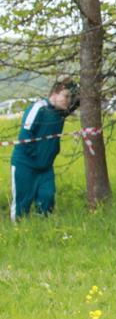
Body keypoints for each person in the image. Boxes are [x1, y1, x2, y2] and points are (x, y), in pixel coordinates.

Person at [11, 78, 72, 220]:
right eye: (66, 96)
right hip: (25, 165)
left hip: (45, 167)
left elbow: (79, 100)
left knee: (47, 198)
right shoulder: (38, 108)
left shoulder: (61, 112)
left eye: (70, 97)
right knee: (22, 203)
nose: (68, 100)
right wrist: (37, 156)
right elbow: (25, 135)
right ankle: (18, 233)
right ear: (54, 94)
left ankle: (42, 228)